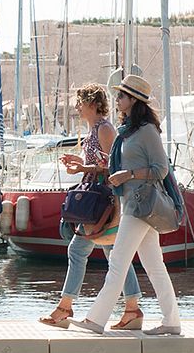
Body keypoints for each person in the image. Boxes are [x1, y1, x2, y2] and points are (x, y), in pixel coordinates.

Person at [68, 75, 181, 336]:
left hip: (140, 206)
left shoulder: (147, 131)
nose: (116, 99)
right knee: (155, 266)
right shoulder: (128, 131)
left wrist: (129, 175)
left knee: (118, 262)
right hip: (133, 203)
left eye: (121, 96)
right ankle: (172, 322)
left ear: (133, 101)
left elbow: (161, 169)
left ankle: (95, 320)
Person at [39, 84, 143, 329]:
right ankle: (132, 309)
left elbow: (113, 165)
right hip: (95, 201)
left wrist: (83, 168)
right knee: (115, 255)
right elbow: (97, 161)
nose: (77, 107)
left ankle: (65, 308)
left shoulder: (105, 129)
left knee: (79, 251)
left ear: (93, 104)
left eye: (80, 102)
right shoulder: (95, 130)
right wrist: (79, 162)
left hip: (101, 202)